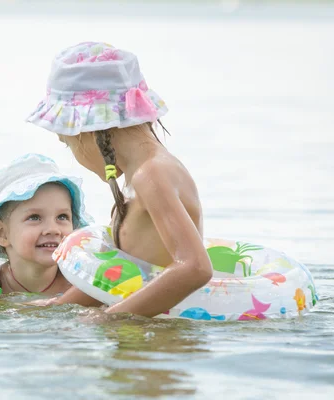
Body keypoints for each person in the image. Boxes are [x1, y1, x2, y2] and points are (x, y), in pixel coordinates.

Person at [26, 42, 213, 317]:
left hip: (161, 348)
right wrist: (61, 305)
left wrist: (110, 317)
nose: (74, 153)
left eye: (68, 143)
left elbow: (195, 267)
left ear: (88, 130)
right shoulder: (142, 175)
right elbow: (129, 270)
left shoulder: (153, 174)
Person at [0, 153, 92, 297]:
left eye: (62, 217)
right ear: (2, 233)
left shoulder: (81, 288)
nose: (53, 229)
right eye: (35, 217)